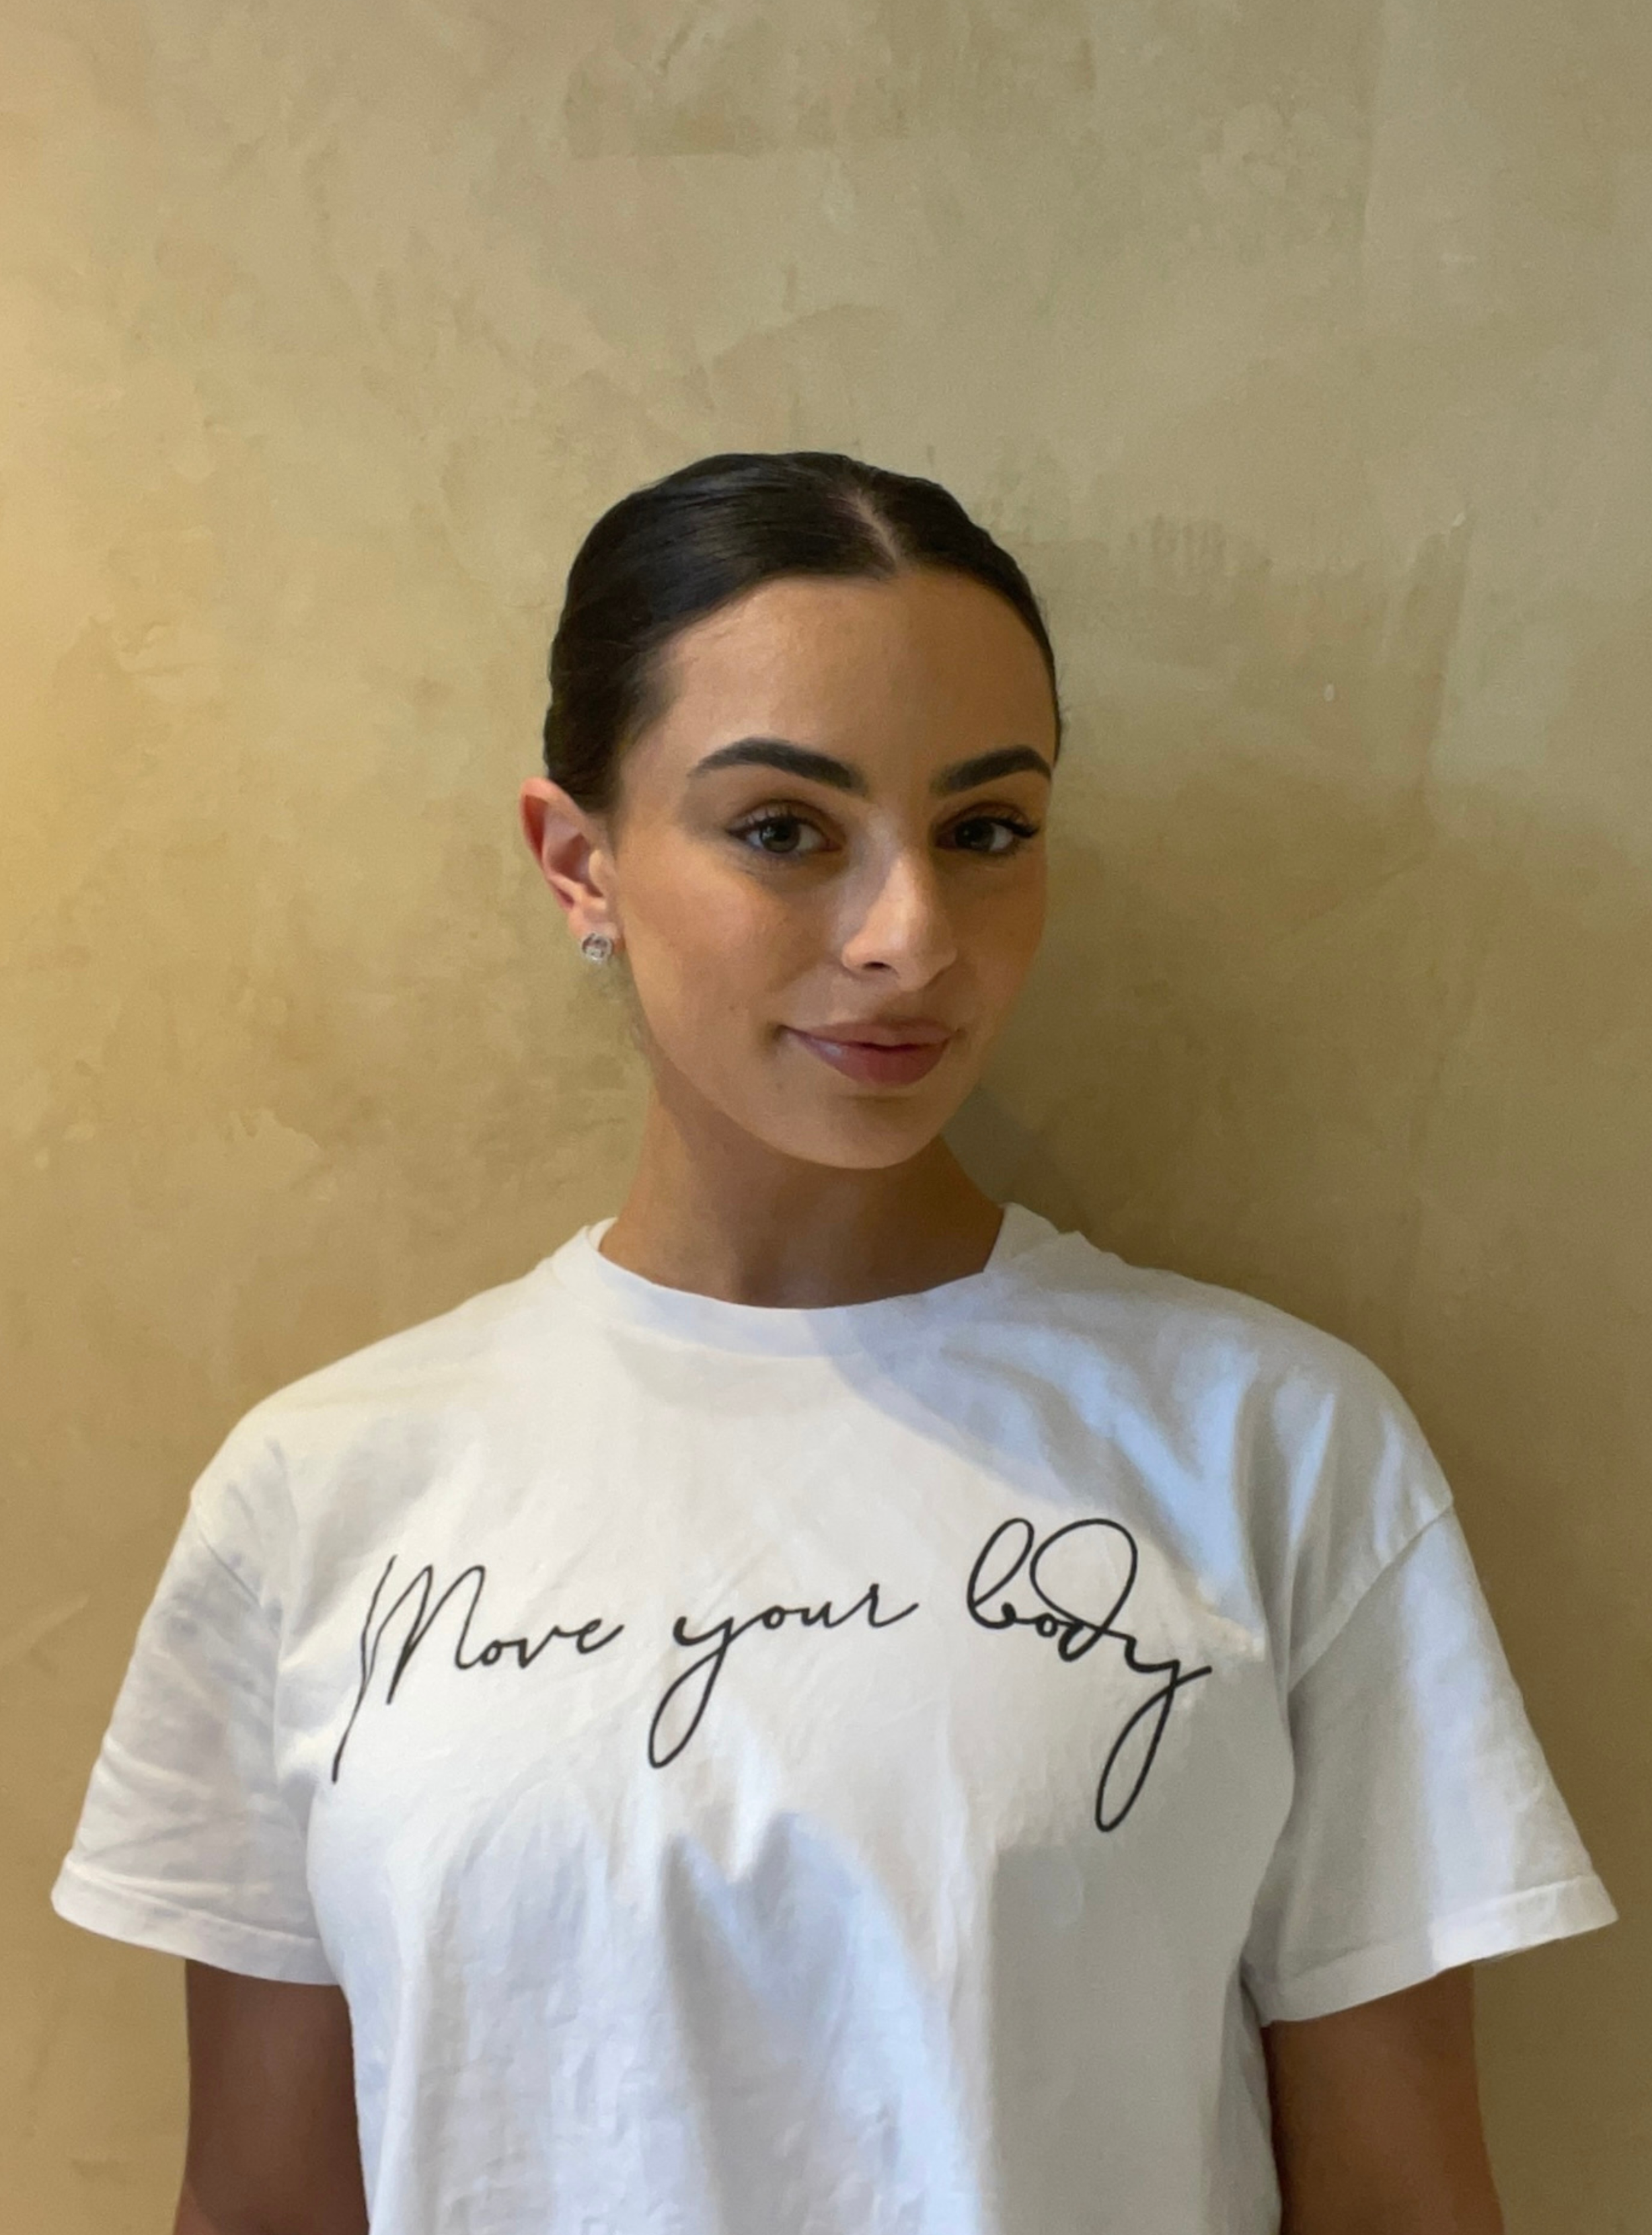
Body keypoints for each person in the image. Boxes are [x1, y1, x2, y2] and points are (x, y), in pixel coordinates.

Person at [53, 451, 1614, 2235]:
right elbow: (259, 2204)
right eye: (784, 829)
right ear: (579, 862)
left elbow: (1404, 2194)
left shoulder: (1272, 1444)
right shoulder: (320, 1491)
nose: (908, 936)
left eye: (985, 830)